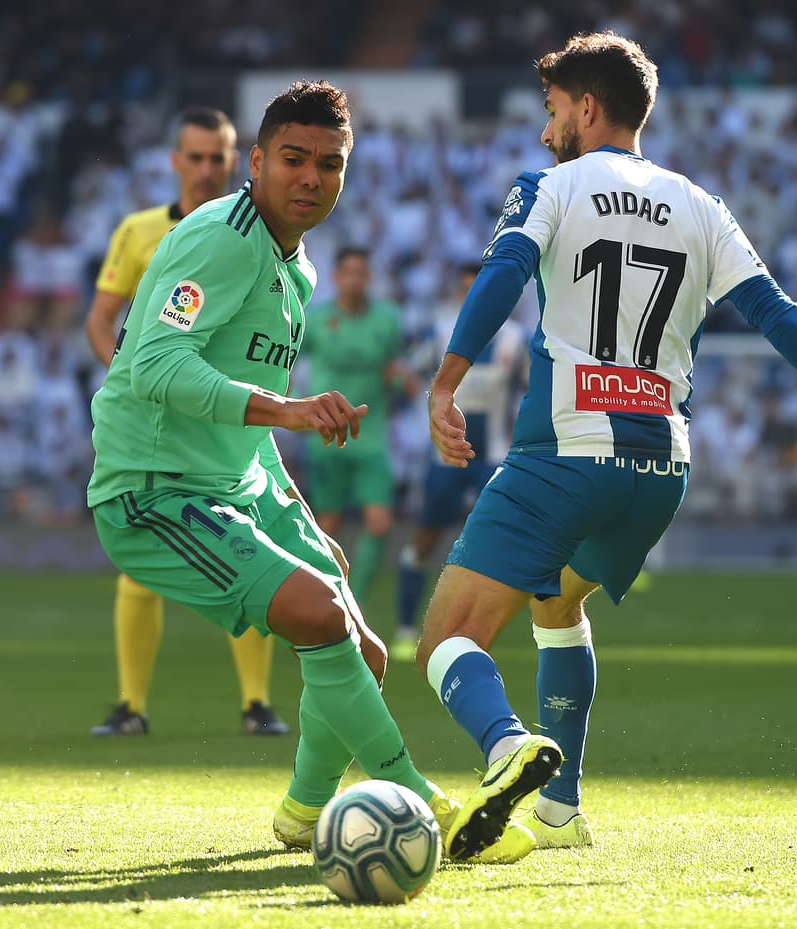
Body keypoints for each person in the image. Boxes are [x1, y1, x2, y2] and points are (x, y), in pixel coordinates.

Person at [414, 31, 797, 862]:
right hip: (661, 465)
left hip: (564, 454)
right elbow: (779, 315)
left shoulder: (549, 186)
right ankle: (560, 808)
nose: (547, 128)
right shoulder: (701, 204)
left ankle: (508, 744)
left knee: (444, 637)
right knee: (558, 605)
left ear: (587, 108)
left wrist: (447, 381)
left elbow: (503, 275)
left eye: (554, 110)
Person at [86, 81, 535, 862]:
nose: (311, 178)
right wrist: (289, 410)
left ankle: (303, 810)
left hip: (238, 484)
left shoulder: (299, 274)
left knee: (364, 650)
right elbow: (152, 364)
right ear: (254, 161)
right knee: (322, 617)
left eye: (330, 165)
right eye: (293, 159)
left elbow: (245, 419)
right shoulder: (215, 238)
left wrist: (289, 506)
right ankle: (429, 809)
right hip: (153, 489)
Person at [84, 107, 288, 738]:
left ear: (236, 160)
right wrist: (133, 378)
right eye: (195, 157)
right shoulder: (139, 231)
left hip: (221, 430)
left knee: (254, 554)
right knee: (140, 574)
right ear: (176, 161)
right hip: (158, 430)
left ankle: (257, 702)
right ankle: (131, 705)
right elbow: (102, 320)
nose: (206, 168)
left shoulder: (249, 234)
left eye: (217, 156)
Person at [391, 262, 526, 662]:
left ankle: (476, 632)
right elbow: (404, 371)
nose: (473, 299)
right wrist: (419, 400)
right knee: (427, 536)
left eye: (480, 290)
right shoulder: (441, 331)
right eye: (466, 290)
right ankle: (404, 627)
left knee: (500, 540)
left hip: (494, 457)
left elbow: (534, 387)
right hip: (446, 457)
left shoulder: (516, 339)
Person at [302, 247, 412, 601]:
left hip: (371, 434)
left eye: (360, 273)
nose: (354, 280)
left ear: (369, 278)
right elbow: (285, 361)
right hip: (325, 433)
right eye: (347, 272)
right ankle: (323, 598)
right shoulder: (315, 319)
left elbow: (391, 367)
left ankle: (355, 600)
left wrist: (404, 380)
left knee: (380, 522)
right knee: (327, 524)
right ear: (335, 277)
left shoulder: (388, 318)